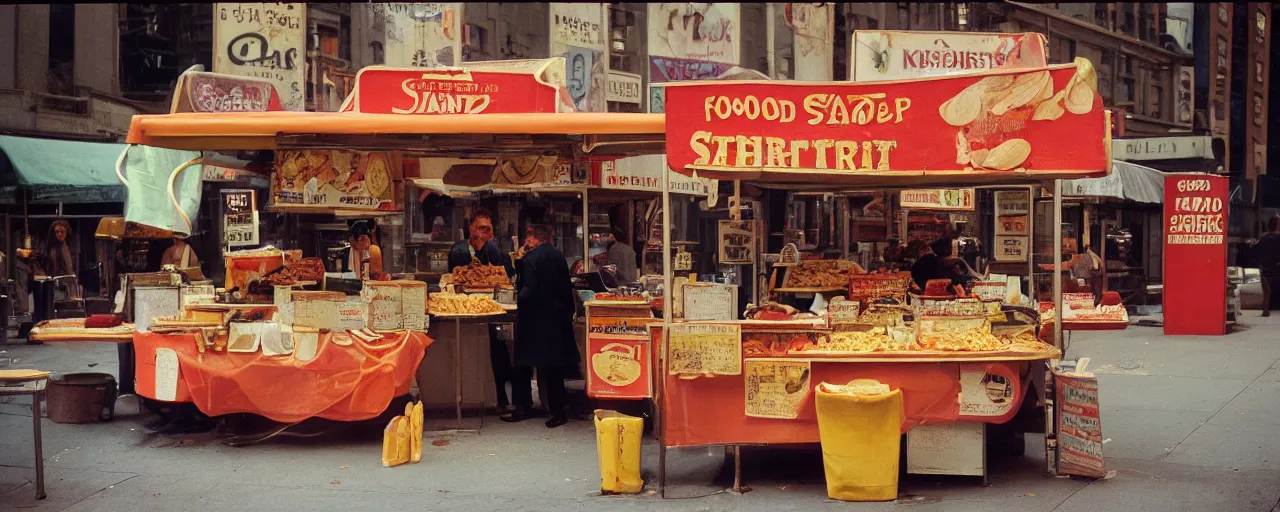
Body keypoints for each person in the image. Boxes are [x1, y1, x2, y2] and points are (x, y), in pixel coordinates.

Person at [505, 223, 580, 428]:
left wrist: (516, 300)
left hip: (534, 319)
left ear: (532, 238)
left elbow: (528, 289)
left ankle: (523, 407)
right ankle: (557, 410)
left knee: (522, 365)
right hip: (556, 319)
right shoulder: (558, 256)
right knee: (553, 368)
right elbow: (566, 288)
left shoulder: (531, 259)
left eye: (527, 238)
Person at [447, 208, 517, 411]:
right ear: (471, 228)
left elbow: (506, 273)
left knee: (497, 350)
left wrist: (489, 248)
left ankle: (501, 397)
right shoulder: (459, 250)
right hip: (466, 311)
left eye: (487, 229)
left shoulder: (494, 250)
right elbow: (455, 274)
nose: (483, 233)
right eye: (480, 228)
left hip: (491, 310)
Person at [1257, 218, 1280, 316]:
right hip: (1276, 268)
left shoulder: (1263, 238)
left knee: (1266, 290)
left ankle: (1266, 308)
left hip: (1265, 268)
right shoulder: (1278, 237)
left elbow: (1258, 252)